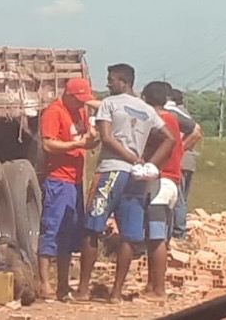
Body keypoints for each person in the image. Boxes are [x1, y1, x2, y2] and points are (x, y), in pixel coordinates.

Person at [72, 64, 175, 304]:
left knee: (93, 227)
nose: (108, 84)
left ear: (123, 81)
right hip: (136, 178)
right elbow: (170, 138)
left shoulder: (110, 103)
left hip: (111, 171)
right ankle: (116, 294)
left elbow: (106, 137)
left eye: (111, 80)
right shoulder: (147, 109)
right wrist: (150, 164)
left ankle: (83, 290)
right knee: (129, 234)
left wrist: (132, 158)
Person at [37, 77, 99, 300]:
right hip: (58, 179)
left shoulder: (80, 112)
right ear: (69, 95)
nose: (83, 105)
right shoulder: (54, 112)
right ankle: (45, 284)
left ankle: (63, 284)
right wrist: (77, 144)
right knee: (51, 229)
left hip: (75, 180)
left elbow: (87, 134)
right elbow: (48, 144)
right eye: (79, 100)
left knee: (70, 232)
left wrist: (91, 140)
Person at [140, 81, 184, 300]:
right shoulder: (172, 119)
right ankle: (152, 285)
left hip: (161, 183)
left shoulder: (160, 122)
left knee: (156, 237)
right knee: (155, 236)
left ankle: (159, 289)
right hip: (170, 182)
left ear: (145, 98)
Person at [165, 89, 202, 240]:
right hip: (189, 160)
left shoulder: (172, 113)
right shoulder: (185, 113)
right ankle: (179, 231)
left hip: (179, 160)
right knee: (182, 198)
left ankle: (178, 234)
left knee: (177, 199)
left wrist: (179, 150)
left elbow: (196, 132)